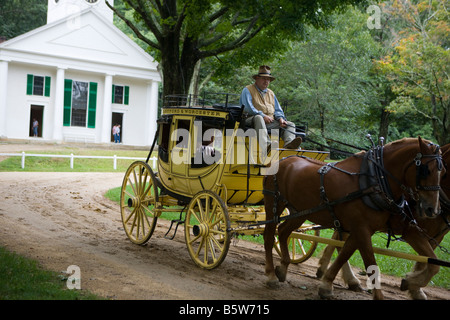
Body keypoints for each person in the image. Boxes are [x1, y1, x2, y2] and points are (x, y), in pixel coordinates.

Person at [239, 65, 302, 151]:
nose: (266, 81)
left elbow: (277, 110)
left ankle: (289, 145)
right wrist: (262, 115)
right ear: (257, 79)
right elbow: (248, 108)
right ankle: (267, 146)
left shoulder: (271, 93)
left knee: (290, 124)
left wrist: (280, 119)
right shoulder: (248, 90)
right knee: (258, 117)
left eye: (268, 79)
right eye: (264, 78)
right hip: (250, 120)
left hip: (269, 122)